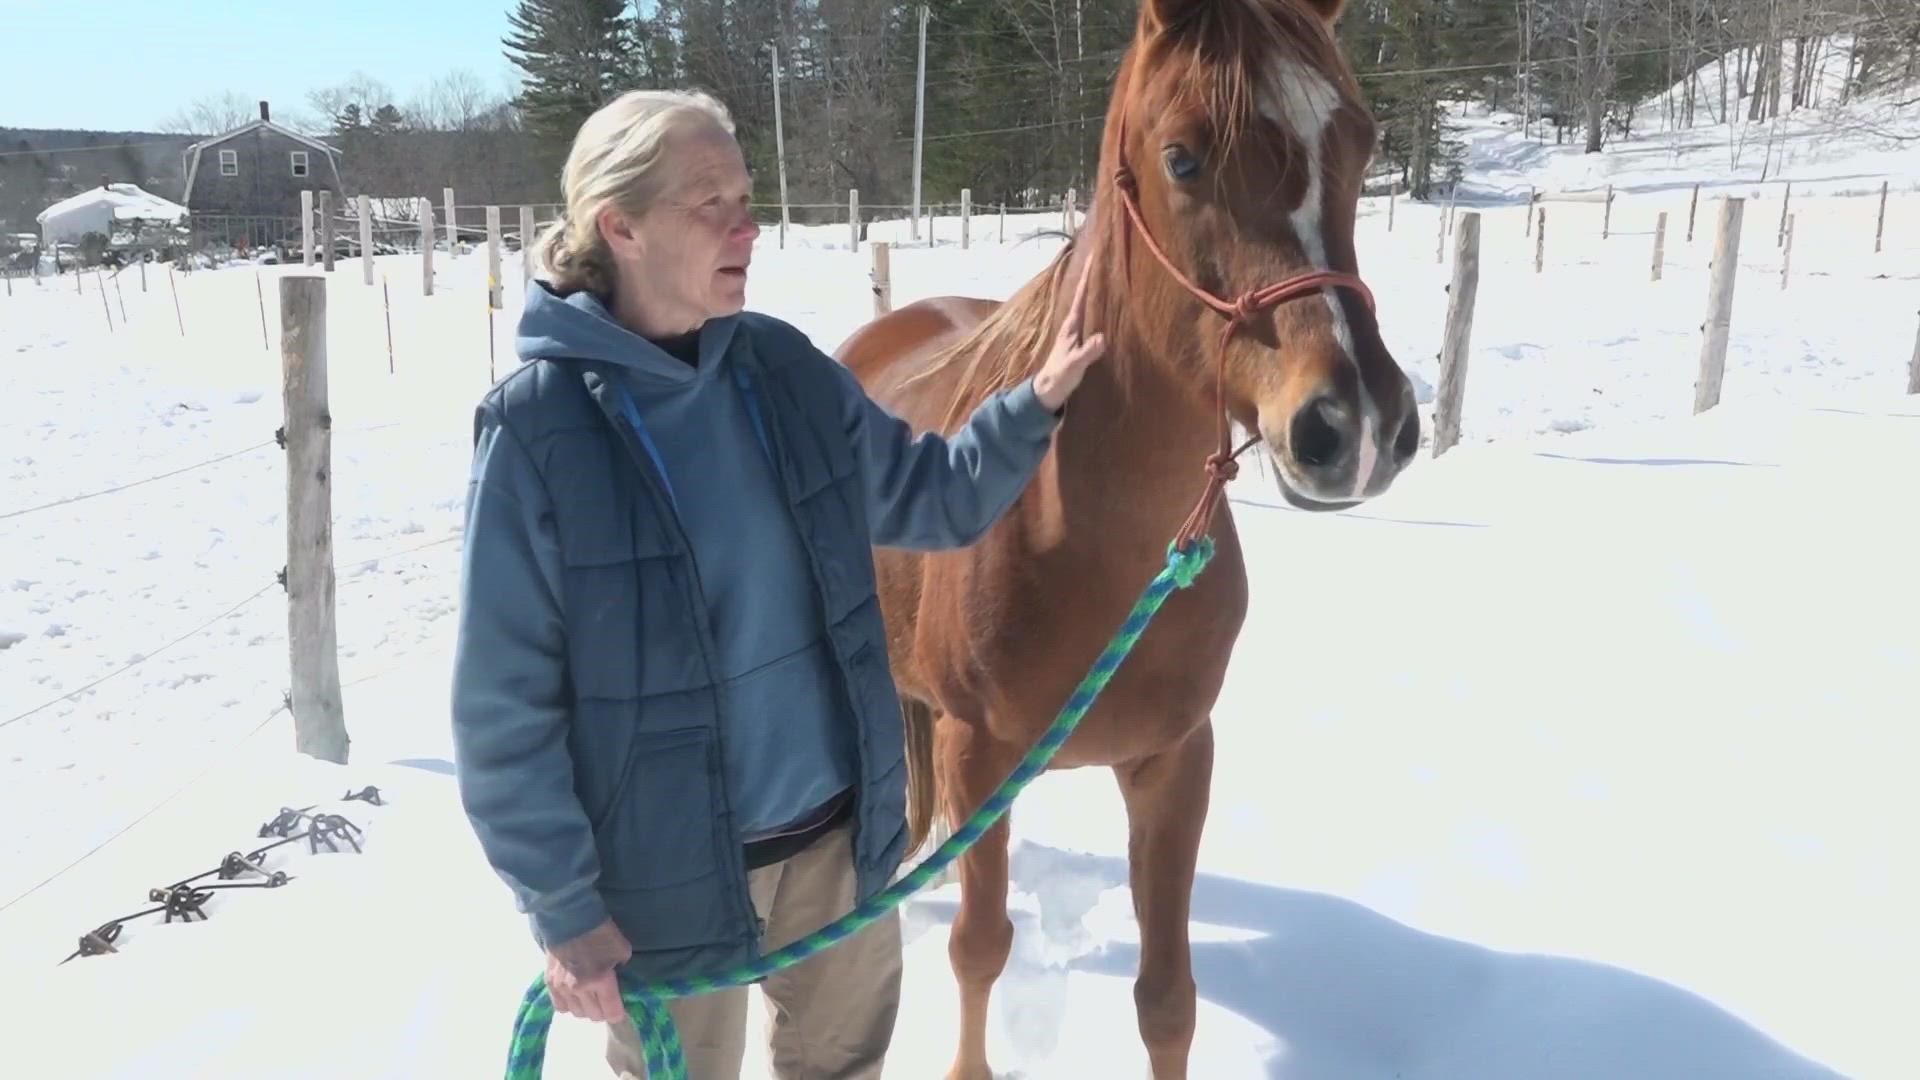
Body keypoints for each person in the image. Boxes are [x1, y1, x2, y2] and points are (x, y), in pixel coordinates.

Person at [449, 87, 1106, 1080]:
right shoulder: (538, 433)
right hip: (663, 880)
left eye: (746, 197)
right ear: (620, 226)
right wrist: (564, 906)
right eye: (709, 201)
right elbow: (502, 709)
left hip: (836, 853)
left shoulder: (784, 373)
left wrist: (1033, 406)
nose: (746, 225)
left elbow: (934, 499)